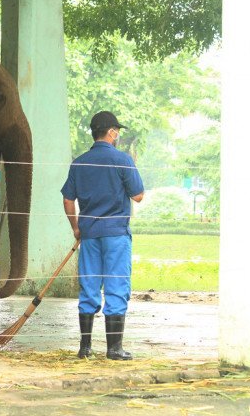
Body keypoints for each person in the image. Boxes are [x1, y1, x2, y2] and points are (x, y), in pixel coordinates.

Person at [61, 111, 144, 360]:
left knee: (89, 287)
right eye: (116, 131)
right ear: (111, 132)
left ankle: (85, 348)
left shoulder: (79, 162)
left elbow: (67, 199)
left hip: (89, 234)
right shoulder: (122, 160)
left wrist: (76, 228)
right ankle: (114, 349)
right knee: (116, 286)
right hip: (116, 235)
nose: (117, 135)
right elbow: (138, 195)